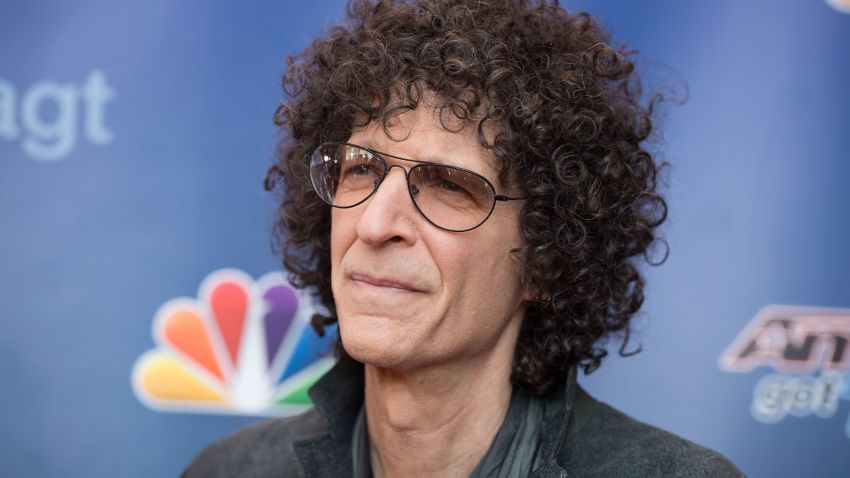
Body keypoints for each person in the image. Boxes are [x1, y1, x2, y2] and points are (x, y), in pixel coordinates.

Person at [184, 1, 745, 476]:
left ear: (545, 259)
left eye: (448, 186)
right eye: (360, 169)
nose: (376, 224)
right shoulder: (231, 470)